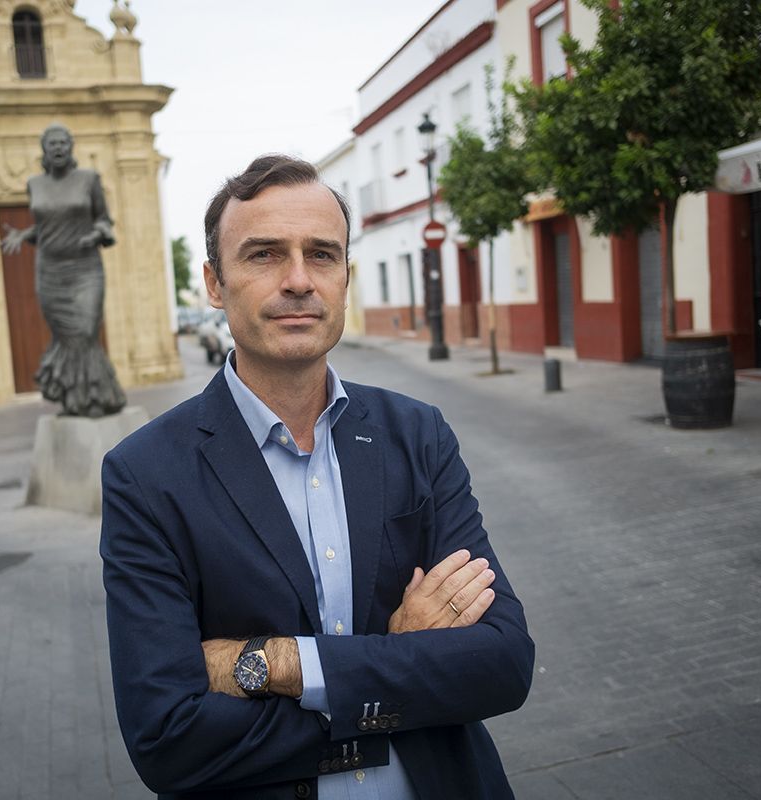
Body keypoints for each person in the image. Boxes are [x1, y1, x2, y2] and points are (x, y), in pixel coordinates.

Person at [101, 155, 533, 800]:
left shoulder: (416, 435)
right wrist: (397, 667)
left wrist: (277, 663)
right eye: (265, 254)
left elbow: (502, 664)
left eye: (322, 255)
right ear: (215, 284)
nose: (299, 280)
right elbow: (167, 738)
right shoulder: (146, 475)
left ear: (346, 277)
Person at [1, 123, 127, 418]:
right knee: (66, 337)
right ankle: (79, 400)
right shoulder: (35, 184)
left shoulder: (88, 179)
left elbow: (104, 220)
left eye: (62, 142)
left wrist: (97, 234)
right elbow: (47, 227)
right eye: (52, 143)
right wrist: (23, 234)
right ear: (44, 150)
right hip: (50, 272)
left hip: (85, 268)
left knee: (84, 332)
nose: (57, 147)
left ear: (71, 147)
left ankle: (98, 394)